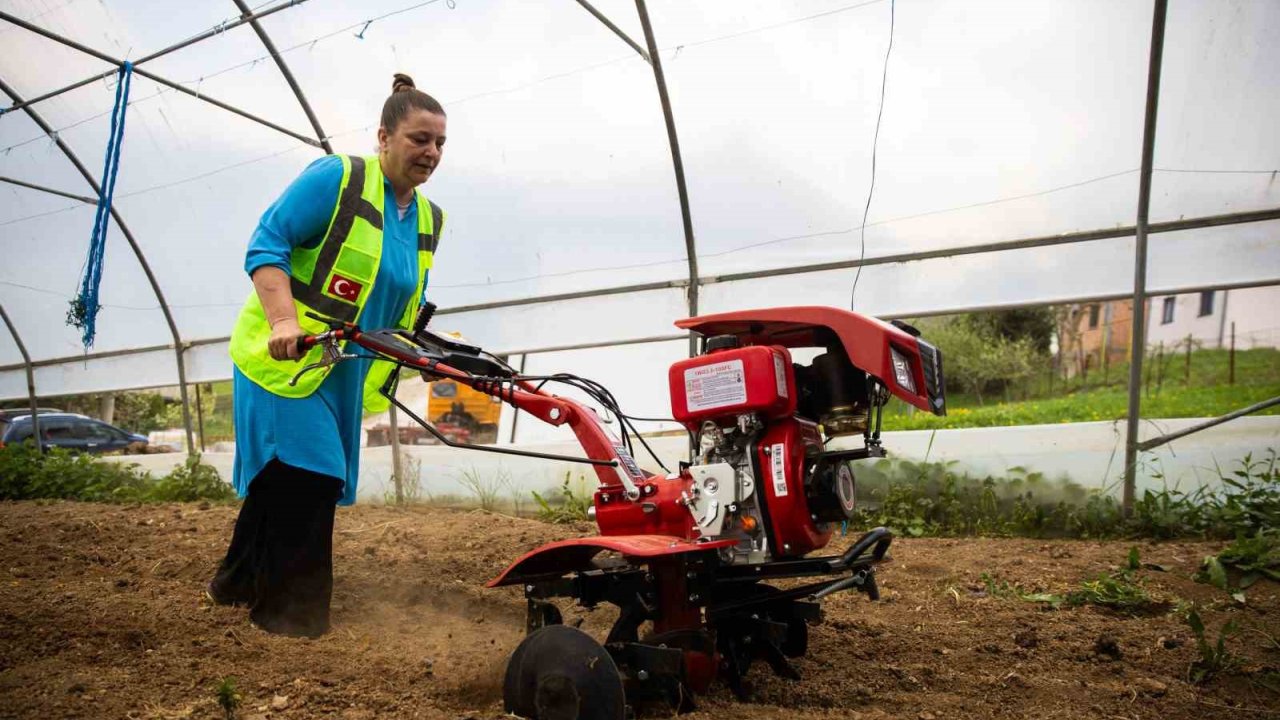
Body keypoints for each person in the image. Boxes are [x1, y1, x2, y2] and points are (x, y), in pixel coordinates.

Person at [207, 73, 447, 637]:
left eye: (439, 143)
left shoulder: (432, 218)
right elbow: (268, 242)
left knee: (284, 475)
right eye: (418, 139)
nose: (431, 153)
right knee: (313, 475)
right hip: (288, 355)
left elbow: (399, 297)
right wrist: (284, 322)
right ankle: (290, 618)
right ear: (383, 137)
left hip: (344, 369)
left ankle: (235, 582)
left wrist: (427, 346)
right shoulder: (338, 179)